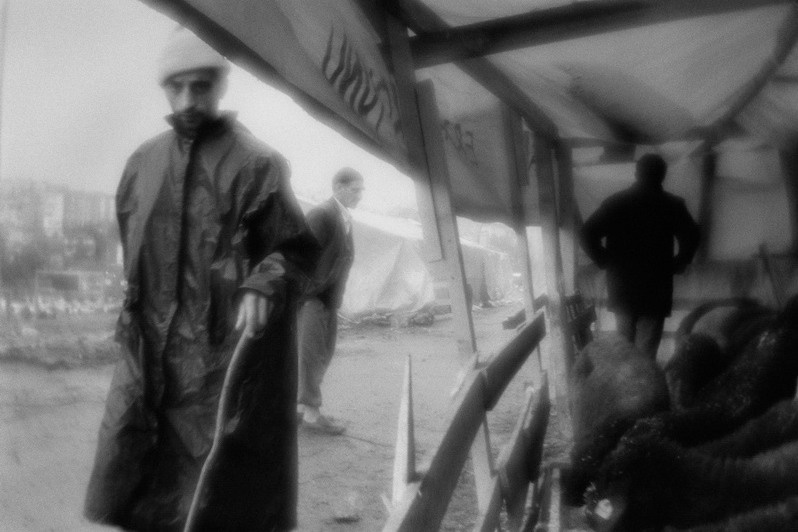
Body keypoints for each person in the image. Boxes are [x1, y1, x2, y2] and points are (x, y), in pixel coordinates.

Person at [83, 27, 318, 531]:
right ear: (164, 89)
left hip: (221, 360)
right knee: (144, 490)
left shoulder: (258, 164)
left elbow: (296, 250)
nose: (188, 100)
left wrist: (263, 282)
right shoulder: (142, 165)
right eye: (177, 87)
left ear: (220, 86)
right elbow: (133, 252)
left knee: (217, 499)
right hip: (149, 354)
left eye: (201, 86)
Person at [579, 153, 700, 359]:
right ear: (663, 175)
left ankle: (625, 388)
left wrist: (605, 261)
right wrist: (679, 263)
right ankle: (643, 389)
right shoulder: (672, 205)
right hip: (656, 289)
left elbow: (587, 233)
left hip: (623, 286)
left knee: (624, 350)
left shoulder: (616, 203)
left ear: (636, 173)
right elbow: (692, 235)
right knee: (646, 353)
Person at [297, 168, 364, 435]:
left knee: (323, 353)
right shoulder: (322, 214)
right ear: (338, 187)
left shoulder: (343, 217)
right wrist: (311, 292)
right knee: (311, 355)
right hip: (313, 298)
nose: (360, 195)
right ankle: (312, 414)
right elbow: (302, 256)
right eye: (355, 189)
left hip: (328, 299)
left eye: (361, 190)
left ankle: (302, 410)